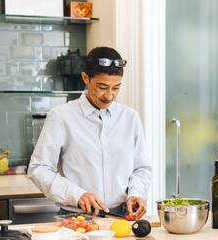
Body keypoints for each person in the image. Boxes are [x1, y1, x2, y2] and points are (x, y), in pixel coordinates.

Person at [28, 46, 152, 220]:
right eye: (102, 87)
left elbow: (141, 168)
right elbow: (39, 169)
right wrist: (77, 194)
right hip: (78, 216)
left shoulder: (129, 117)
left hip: (123, 217)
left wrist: (137, 192)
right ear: (85, 78)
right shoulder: (61, 116)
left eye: (116, 88)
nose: (109, 96)